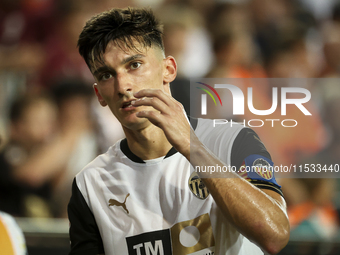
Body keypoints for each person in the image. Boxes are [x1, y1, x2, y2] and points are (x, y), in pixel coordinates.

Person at [67, 7, 290, 255]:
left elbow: (274, 235)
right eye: (107, 75)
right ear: (99, 95)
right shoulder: (91, 183)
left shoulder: (233, 140)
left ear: (168, 70)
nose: (123, 86)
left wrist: (192, 147)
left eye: (135, 64)